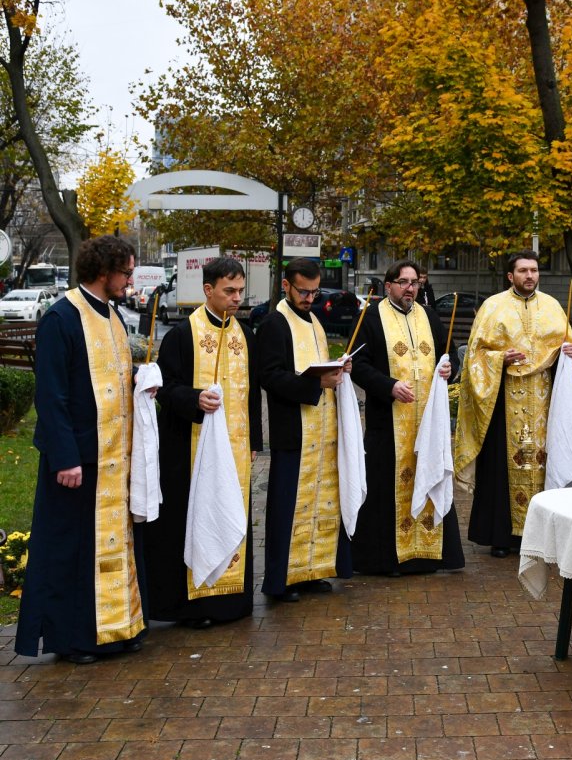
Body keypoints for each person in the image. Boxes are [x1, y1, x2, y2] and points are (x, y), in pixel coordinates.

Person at [16, 236, 148, 664]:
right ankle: (73, 638)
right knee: (73, 548)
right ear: (103, 270)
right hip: (77, 459)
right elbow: (51, 396)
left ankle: (117, 628)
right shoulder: (61, 318)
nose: (129, 281)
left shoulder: (112, 315)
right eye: (126, 273)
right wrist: (65, 457)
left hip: (114, 455)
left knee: (111, 545)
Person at [143, 257, 262, 629]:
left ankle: (230, 602)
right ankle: (190, 607)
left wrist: (256, 440)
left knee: (231, 510)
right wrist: (195, 399)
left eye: (240, 290)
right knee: (190, 517)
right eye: (229, 291)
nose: (236, 298)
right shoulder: (182, 334)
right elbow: (166, 388)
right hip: (188, 447)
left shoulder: (246, 336)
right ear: (208, 290)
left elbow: (252, 395)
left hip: (237, 449)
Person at [453, 251, 572, 558]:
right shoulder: (493, 307)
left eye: (534, 270)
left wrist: (570, 354)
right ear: (510, 276)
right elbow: (474, 356)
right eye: (523, 271)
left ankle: (543, 535)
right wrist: (499, 358)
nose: (530, 276)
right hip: (504, 399)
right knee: (502, 465)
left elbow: (570, 351)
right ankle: (502, 536)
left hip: (544, 401)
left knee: (544, 461)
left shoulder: (553, 306)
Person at [350, 260, 464, 575]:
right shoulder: (371, 318)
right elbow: (357, 365)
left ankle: (426, 554)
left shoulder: (429, 316)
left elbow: (449, 354)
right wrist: (389, 386)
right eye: (402, 281)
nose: (409, 287)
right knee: (385, 487)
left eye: (415, 281)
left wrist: (448, 368)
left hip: (428, 421)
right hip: (388, 422)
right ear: (388, 286)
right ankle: (385, 559)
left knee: (427, 474)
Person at [256, 256, 352, 602]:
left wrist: (339, 368)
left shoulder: (314, 321)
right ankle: (283, 580)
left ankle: (313, 570)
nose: (309, 298)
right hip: (293, 431)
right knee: (288, 506)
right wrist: (316, 384)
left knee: (319, 503)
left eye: (314, 292)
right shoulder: (274, 324)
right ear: (286, 285)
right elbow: (269, 375)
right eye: (303, 291)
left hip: (321, 430)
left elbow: (317, 368)